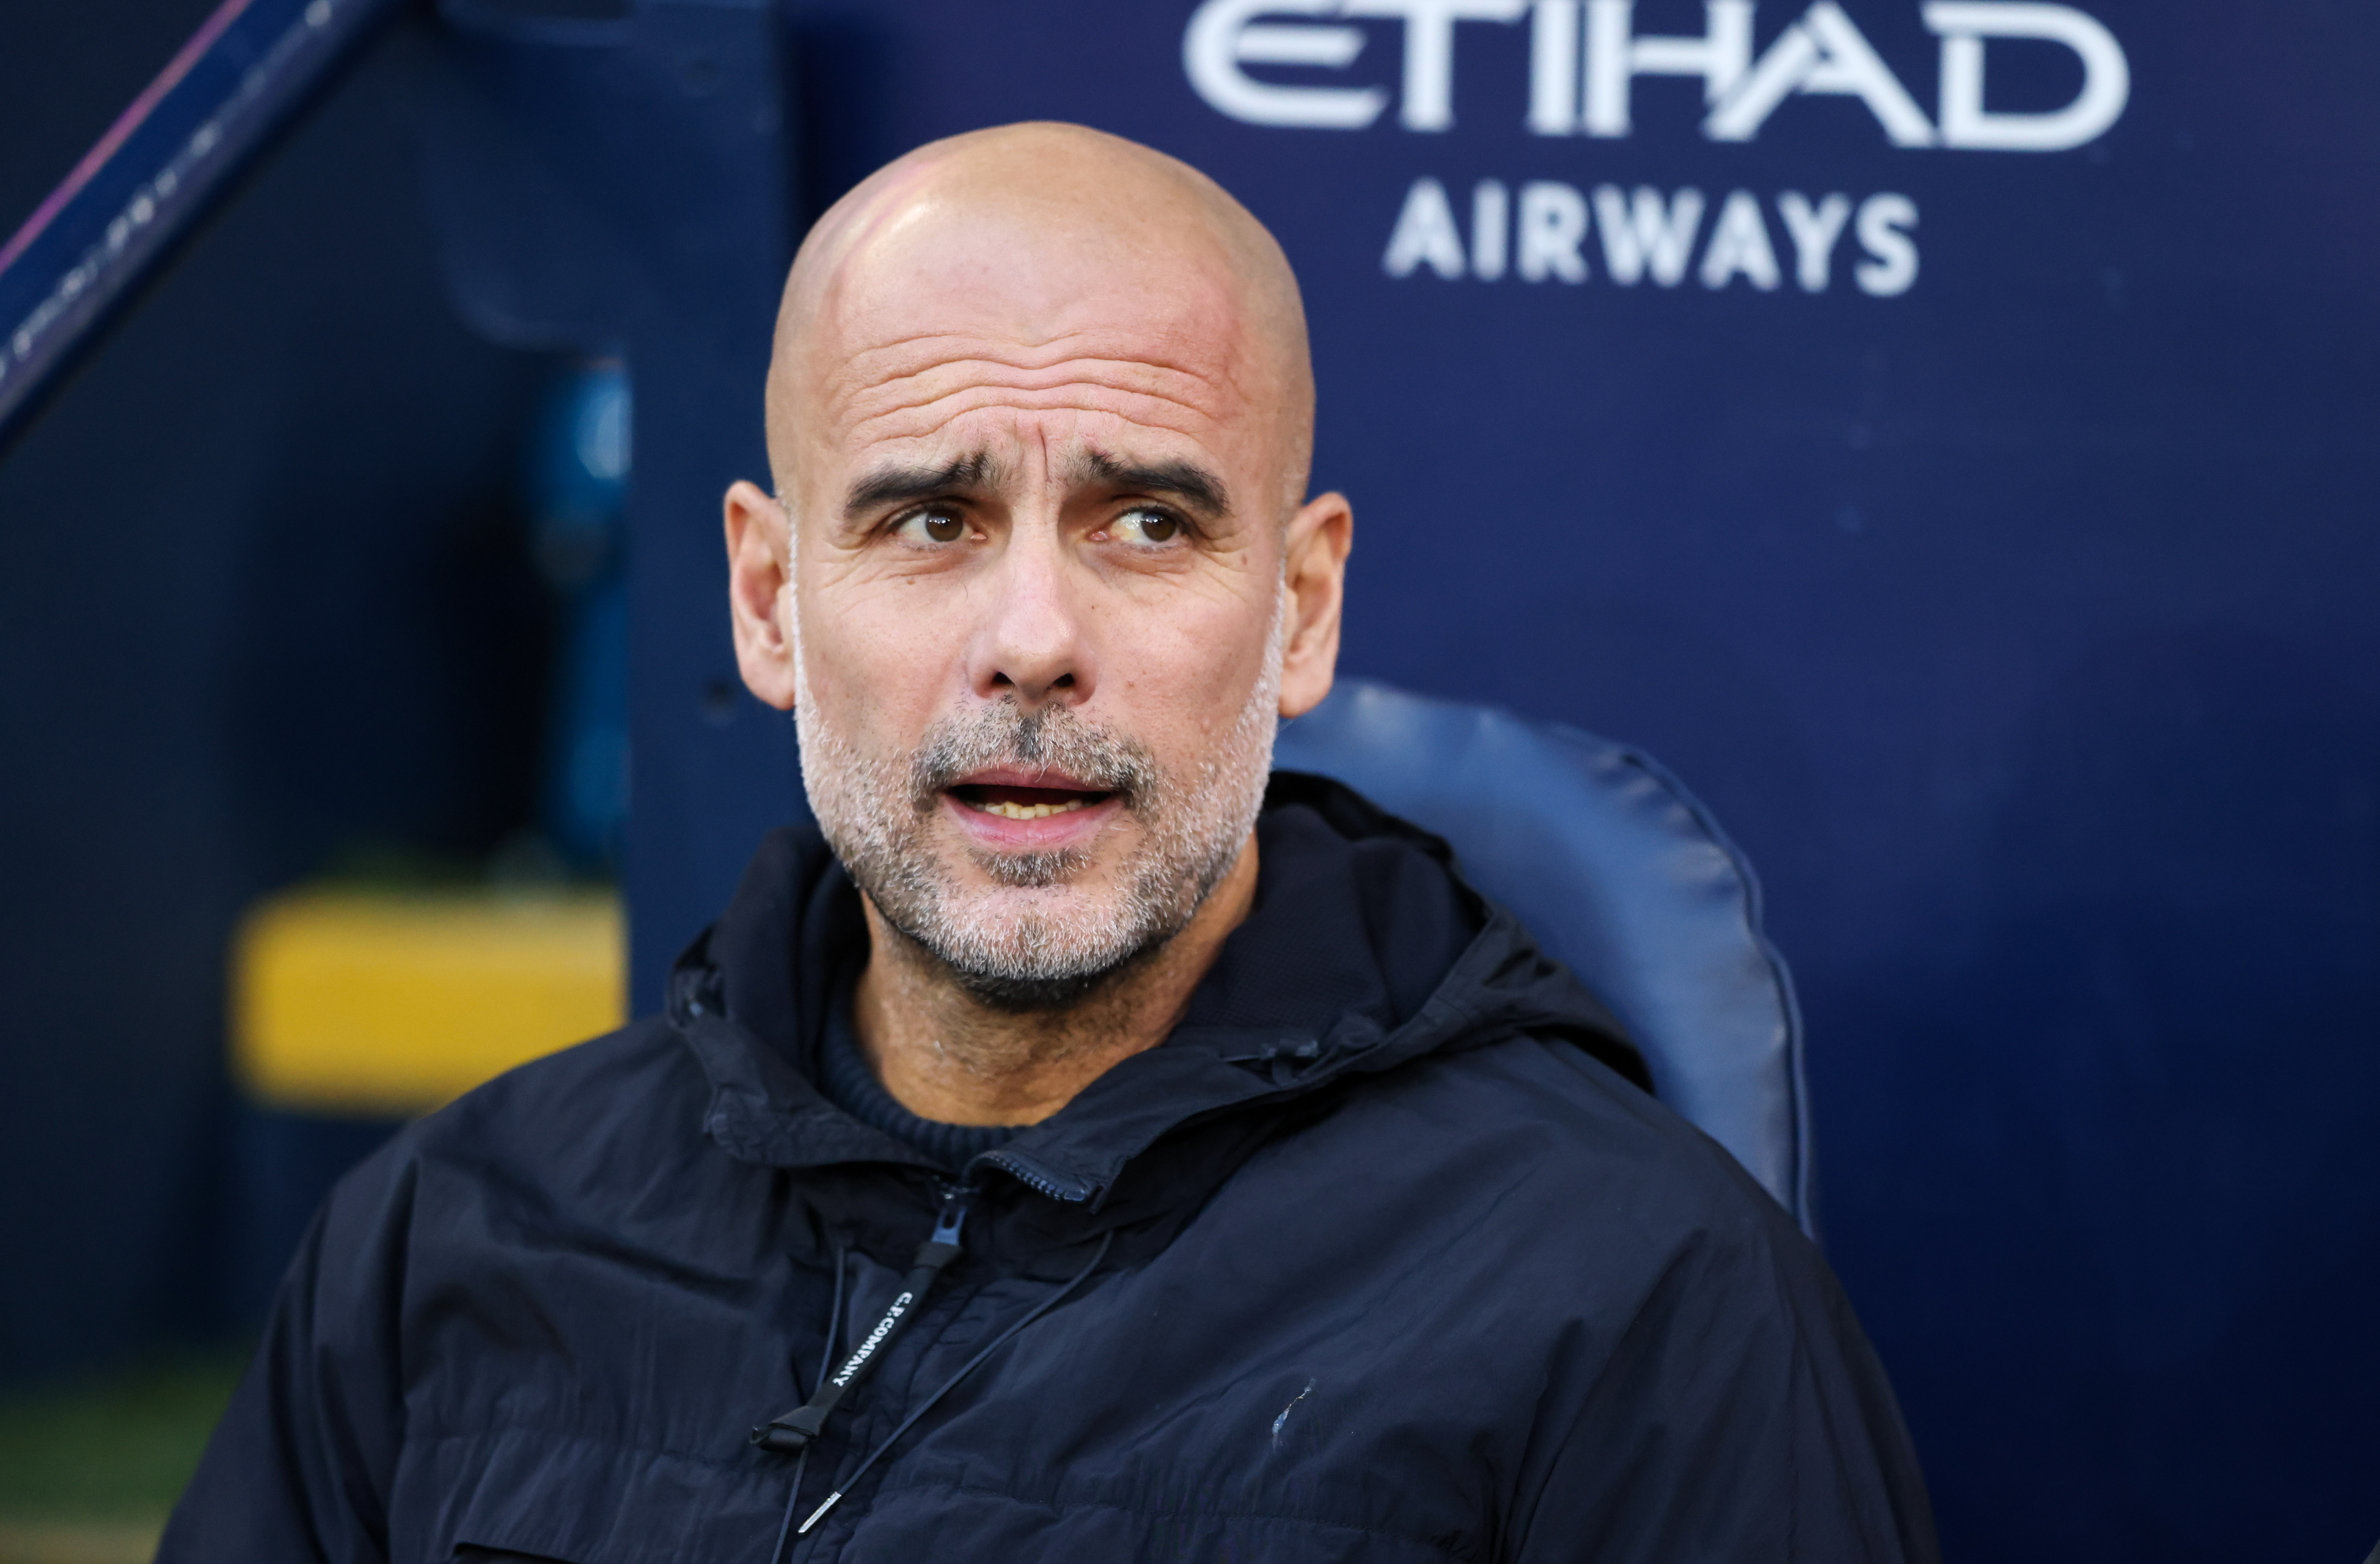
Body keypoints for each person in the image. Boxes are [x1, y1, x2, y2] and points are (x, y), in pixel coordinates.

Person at [162, 122, 1942, 1562]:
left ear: (1302, 607)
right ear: (771, 601)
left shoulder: (1635, 1299)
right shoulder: (451, 1234)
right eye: (932, 517)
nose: (1032, 635)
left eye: (1147, 520)